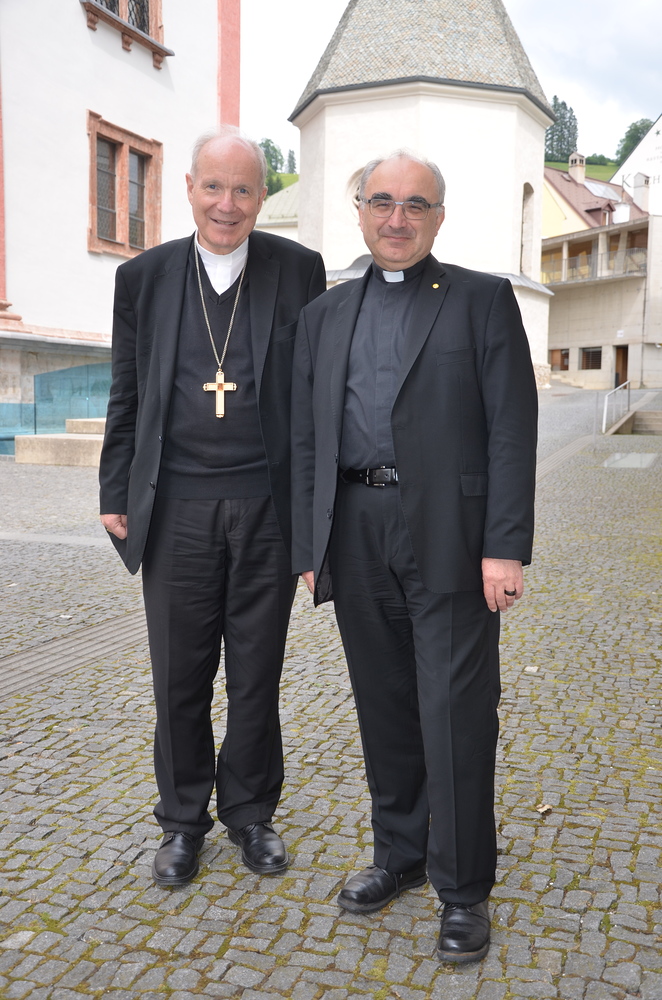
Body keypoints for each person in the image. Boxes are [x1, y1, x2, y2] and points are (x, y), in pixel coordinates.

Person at [291, 151, 537, 963]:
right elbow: (306, 436)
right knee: (385, 702)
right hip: (355, 528)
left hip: (452, 537)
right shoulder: (323, 315)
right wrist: (310, 541)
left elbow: (511, 429)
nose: (397, 219)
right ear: (360, 209)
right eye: (383, 202)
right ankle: (398, 854)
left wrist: (504, 546)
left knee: (455, 711)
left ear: (438, 216)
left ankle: (462, 888)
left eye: (416, 205)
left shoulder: (481, 299)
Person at [99, 127, 326, 887]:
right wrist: (114, 489)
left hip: (266, 508)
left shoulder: (298, 270)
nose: (226, 204)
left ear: (262, 197)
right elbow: (127, 390)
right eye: (213, 187)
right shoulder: (144, 278)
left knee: (257, 672)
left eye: (243, 190)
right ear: (189, 188)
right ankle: (182, 821)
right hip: (176, 510)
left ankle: (252, 813)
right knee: (180, 676)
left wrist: (317, 511)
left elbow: (315, 398)